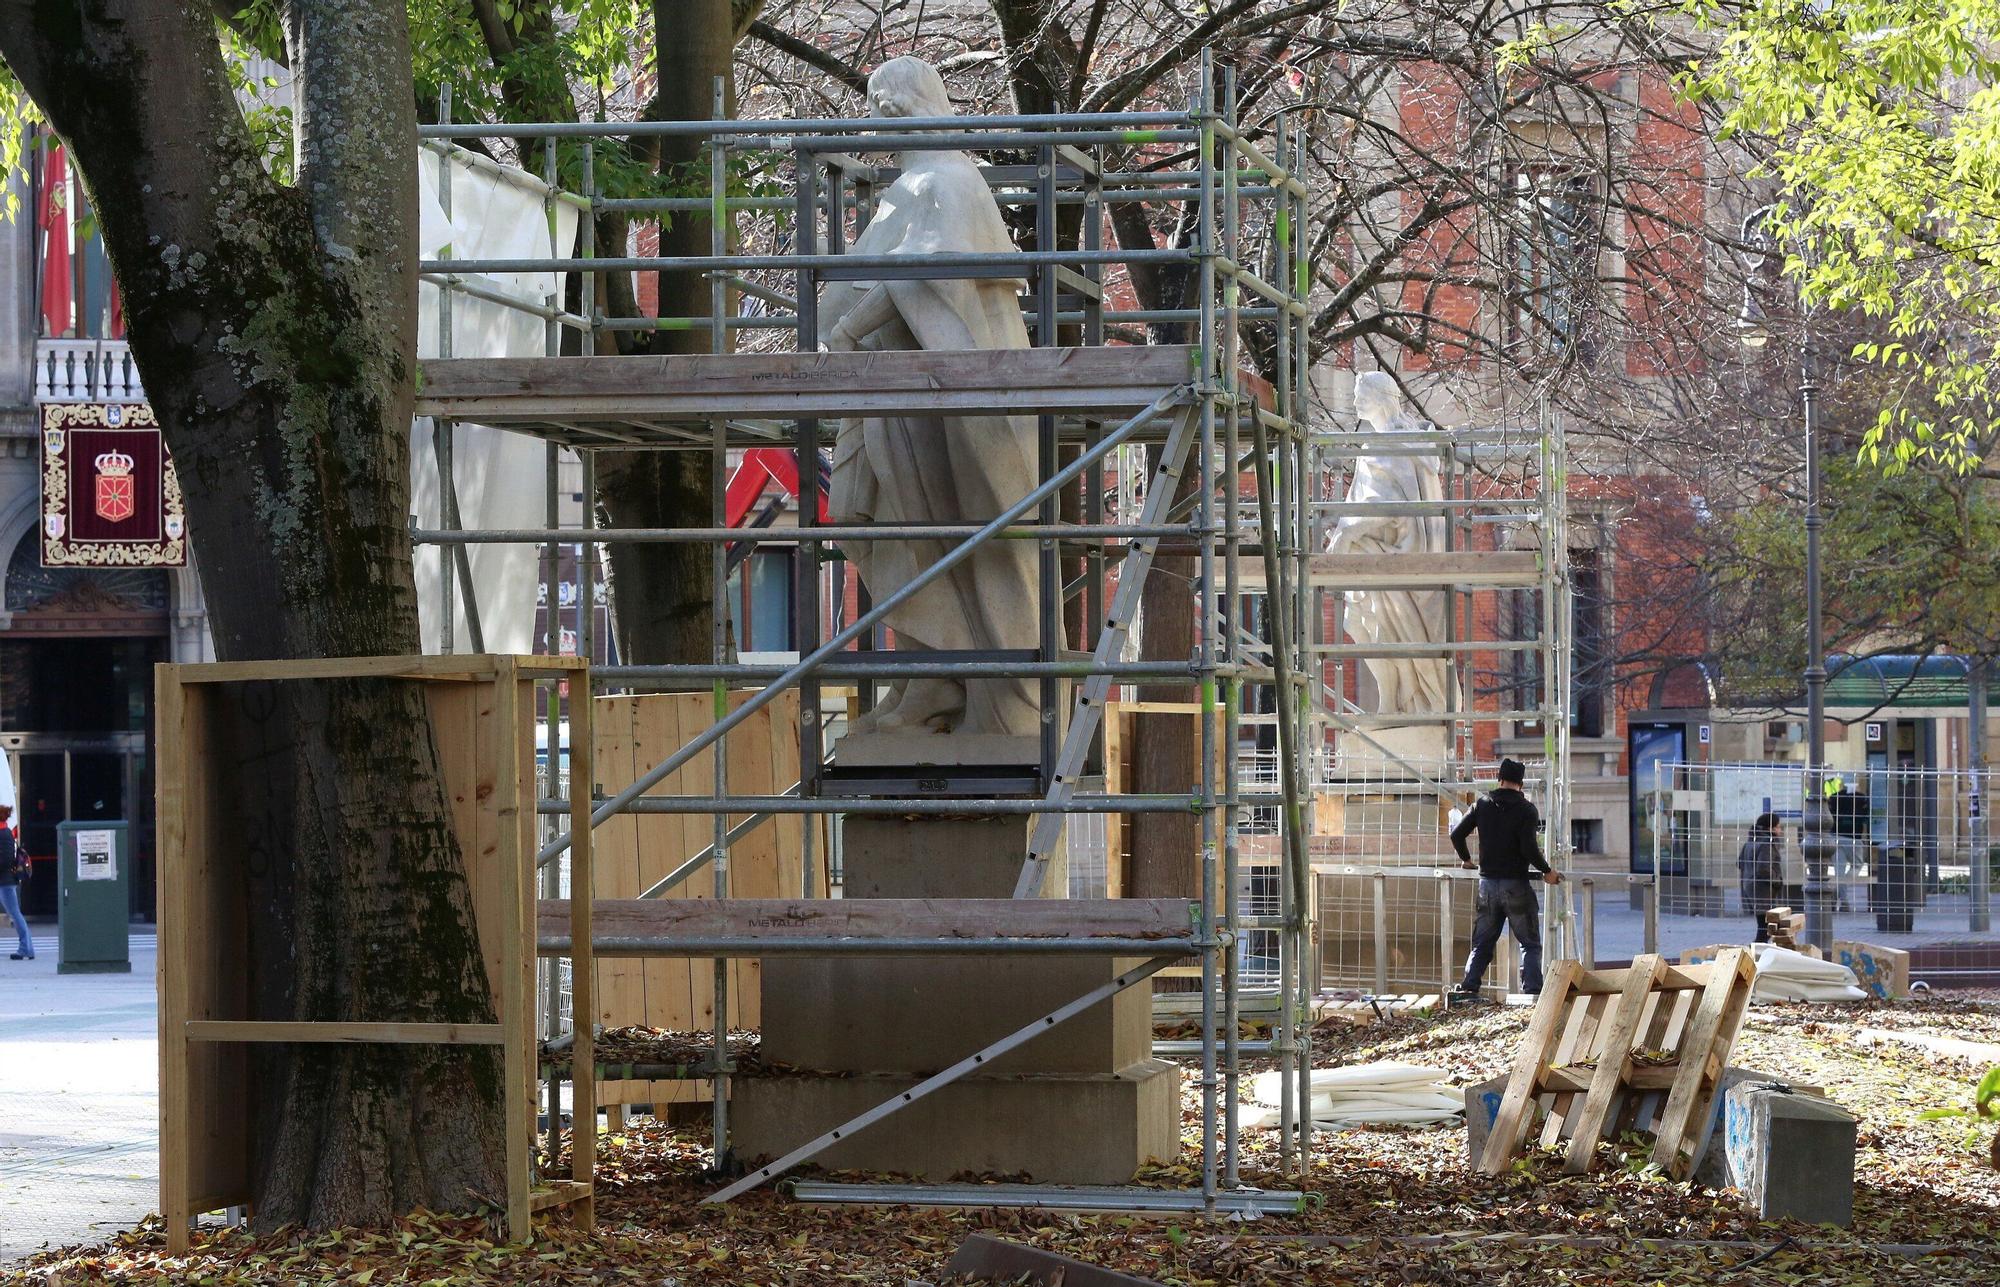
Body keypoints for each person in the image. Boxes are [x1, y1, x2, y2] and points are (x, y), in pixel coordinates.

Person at [1449, 759, 1559, 1002]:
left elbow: (1456, 835)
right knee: (1529, 944)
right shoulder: (1527, 810)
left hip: (1487, 886)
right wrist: (1547, 871)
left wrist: (1466, 859)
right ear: (1521, 784)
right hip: (1516, 885)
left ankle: (1468, 989)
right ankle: (1532, 994)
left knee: (1482, 943)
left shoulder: (1482, 804)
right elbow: (1529, 848)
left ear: (1499, 779)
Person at [1737, 812, 1786, 943]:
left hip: (1751, 887)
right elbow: (1763, 869)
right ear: (1770, 828)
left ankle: (1758, 951)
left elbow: (1740, 863)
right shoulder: (1766, 843)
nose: (1780, 831)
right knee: (1767, 928)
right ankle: (1752, 952)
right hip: (1763, 890)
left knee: (1766, 927)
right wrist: (1777, 881)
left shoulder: (1750, 841)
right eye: (1778, 827)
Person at [0, 806, 31, 961]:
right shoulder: (5, 832)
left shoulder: (4, 834)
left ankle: (26, 948)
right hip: (5, 880)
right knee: (15, 913)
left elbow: (6, 859)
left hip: (5, 881)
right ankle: (27, 948)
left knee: (15, 914)